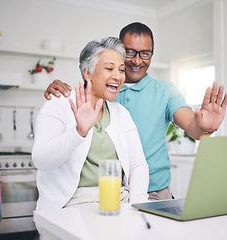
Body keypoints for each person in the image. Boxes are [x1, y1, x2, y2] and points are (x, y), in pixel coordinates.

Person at [43, 22, 227, 201]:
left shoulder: (165, 91)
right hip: (111, 192)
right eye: (130, 52)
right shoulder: (105, 88)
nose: (137, 60)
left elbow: (192, 126)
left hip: (154, 191)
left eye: (145, 53)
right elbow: (79, 94)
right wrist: (58, 90)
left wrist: (205, 128)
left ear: (152, 54)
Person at [32, 37, 149, 210]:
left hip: (119, 199)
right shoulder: (59, 103)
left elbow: (137, 165)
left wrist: (138, 207)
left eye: (121, 70)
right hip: (72, 203)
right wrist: (79, 132)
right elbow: (40, 160)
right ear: (87, 73)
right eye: (109, 68)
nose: (117, 76)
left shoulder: (121, 113)